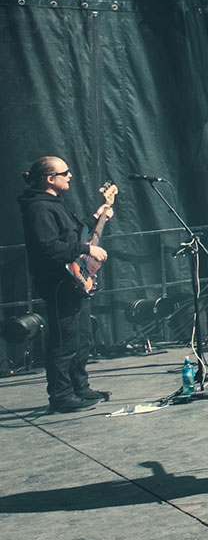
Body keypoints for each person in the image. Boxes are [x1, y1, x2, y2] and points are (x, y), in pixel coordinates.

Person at [18, 156, 114, 412]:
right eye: (65, 172)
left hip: (71, 280)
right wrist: (88, 249)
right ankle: (61, 396)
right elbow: (48, 247)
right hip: (58, 282)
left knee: (81, 337)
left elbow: (70, 236)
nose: (70, 175)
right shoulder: (39, 208)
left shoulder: (52, 203)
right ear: (50, 179)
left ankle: (79, 388)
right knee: (64, 341)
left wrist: (97, 220)